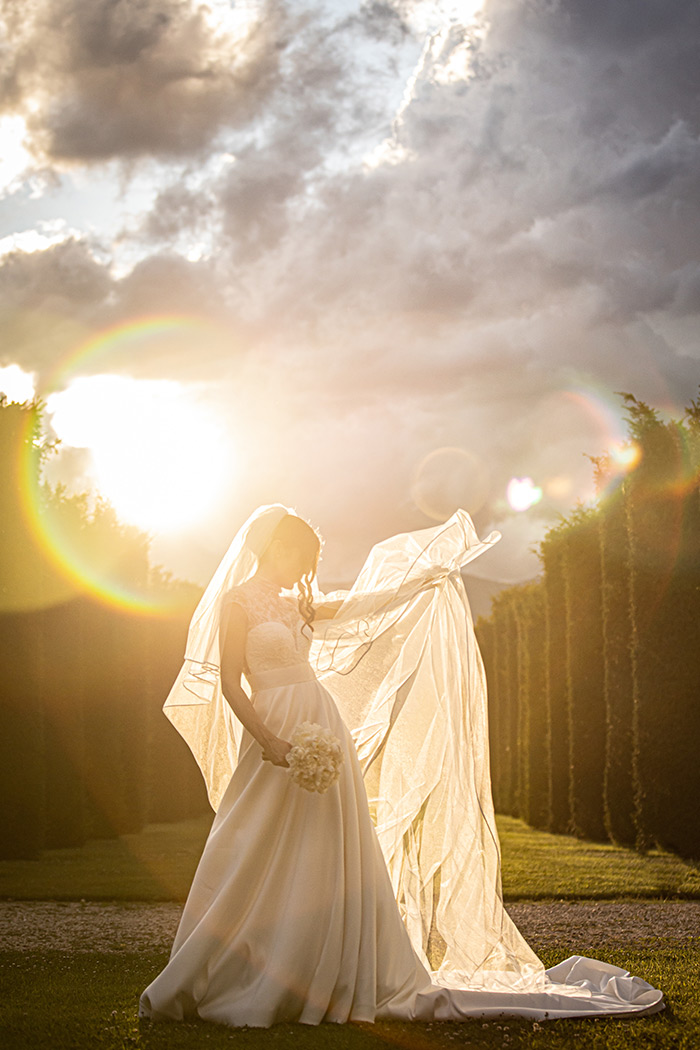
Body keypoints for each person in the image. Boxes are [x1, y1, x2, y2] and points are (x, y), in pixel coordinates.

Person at [139, 503, 663, 1027]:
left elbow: (362, 606)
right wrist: (269, 739)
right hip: (273, 727)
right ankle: (237, 962)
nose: (303, 567)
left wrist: (422, 583)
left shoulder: (297, 604)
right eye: (299, 554)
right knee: (250, 840)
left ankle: (325, 962)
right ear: (276, 546)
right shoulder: (239, 603)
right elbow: (231, 682)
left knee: (328, 845)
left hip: (320, 725)